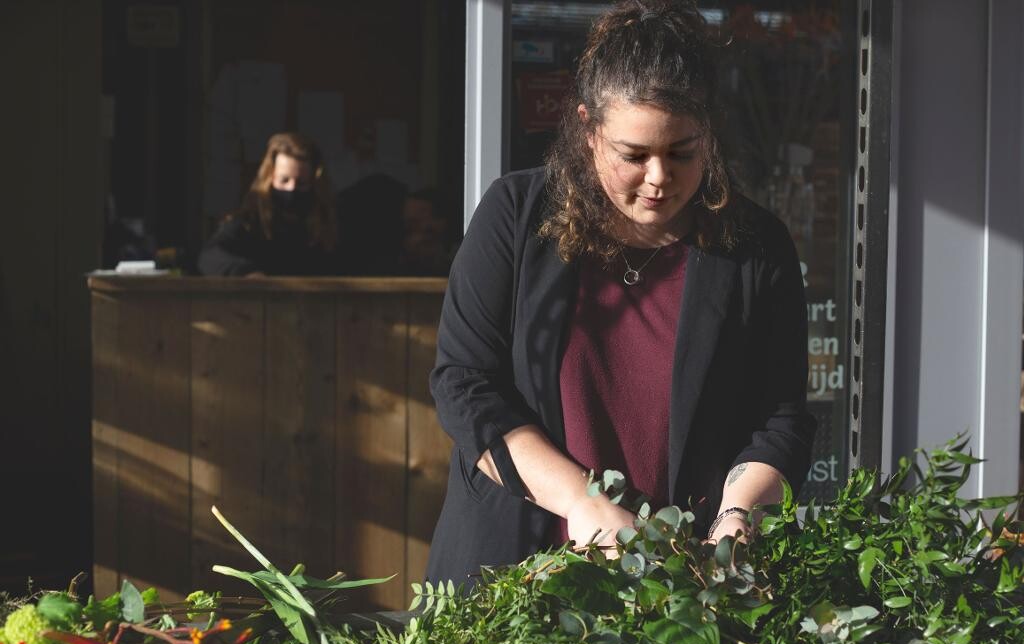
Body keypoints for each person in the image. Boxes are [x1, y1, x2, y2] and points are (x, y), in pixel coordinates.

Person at [425, 0, 815, 588]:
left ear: (708, 133)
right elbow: (465, 386)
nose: (659, 177)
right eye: (634, 155)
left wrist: (739, 514)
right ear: (588, 130)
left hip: (679, 587)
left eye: (682, 151)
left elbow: (780, 416)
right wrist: (582, 503)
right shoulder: (515, 215)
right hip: (508, 574)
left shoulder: (755, 246)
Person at [198, 132, 338, 276]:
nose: (291, 189)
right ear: (270, 177)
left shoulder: (329, 224)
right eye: (284, 180)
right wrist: (248, 273)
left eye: (301, 183)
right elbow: (211, 256)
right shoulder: (249, 221)